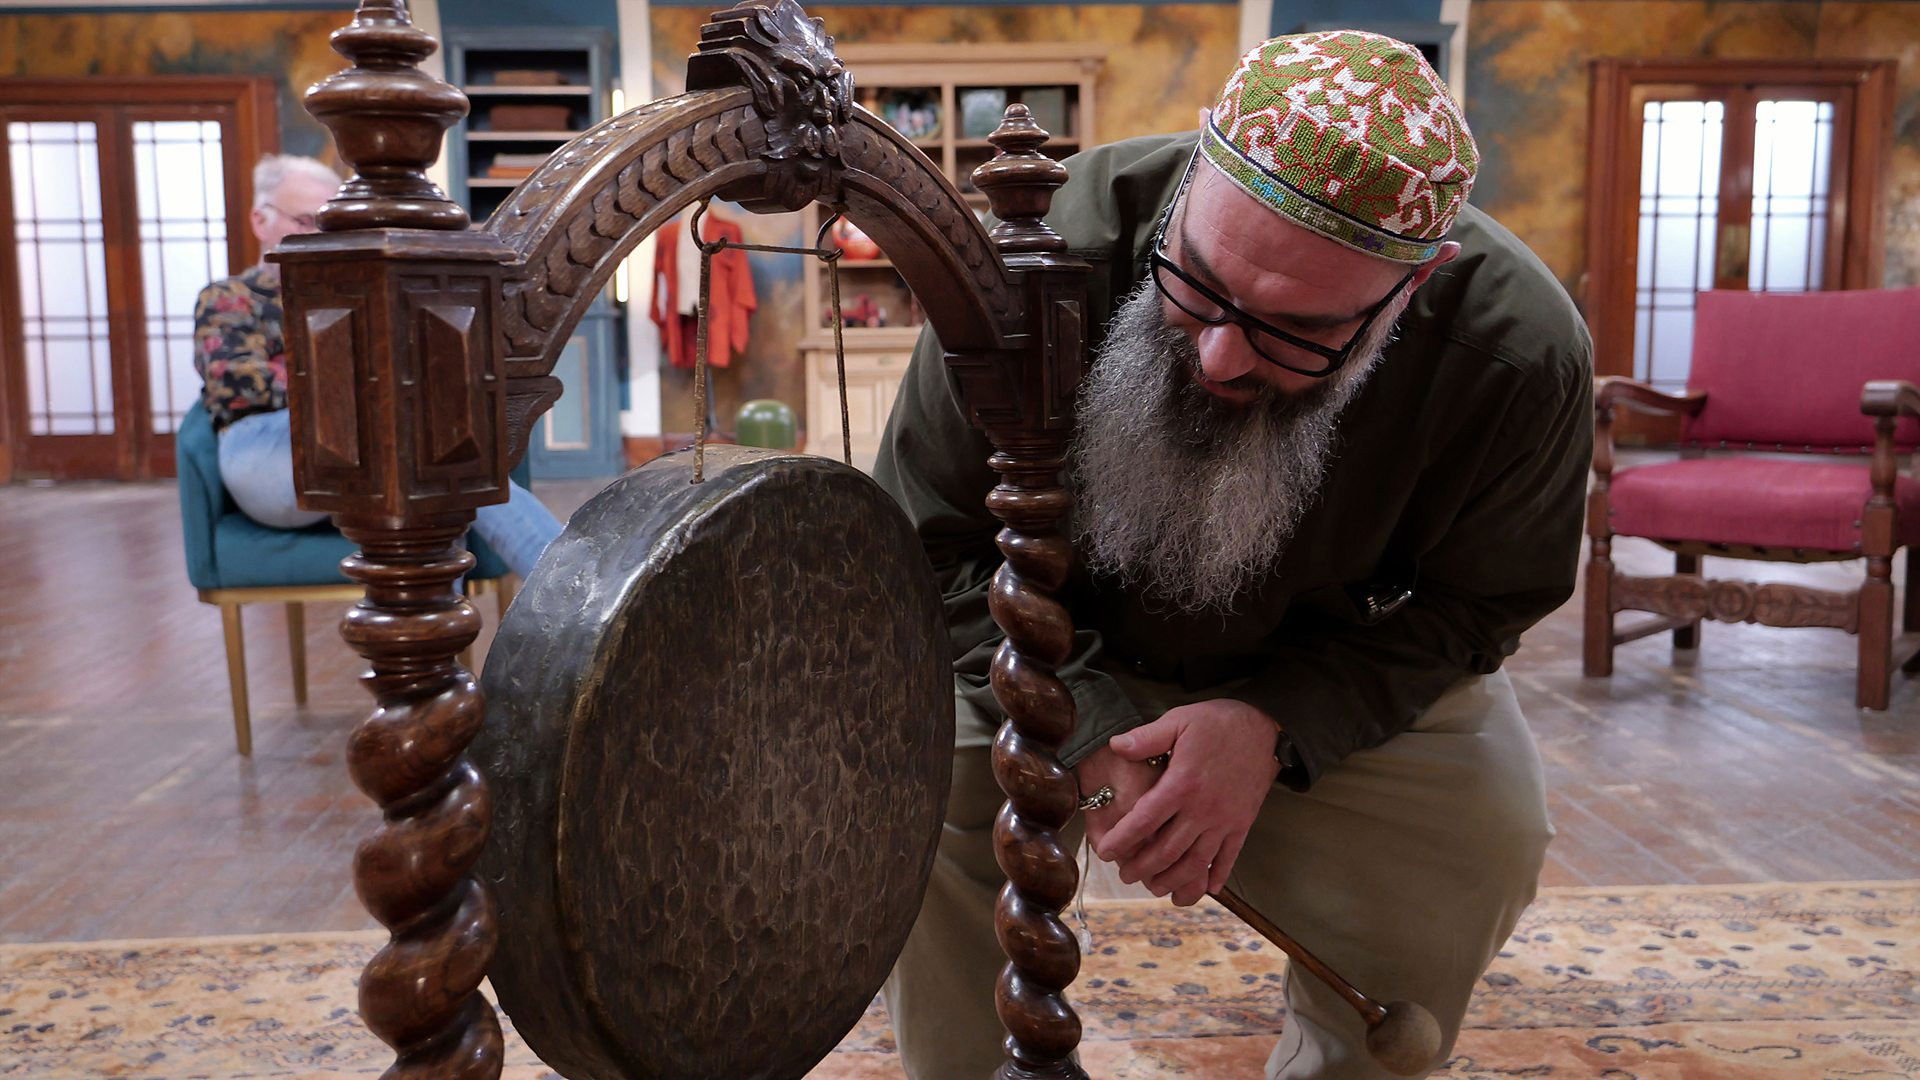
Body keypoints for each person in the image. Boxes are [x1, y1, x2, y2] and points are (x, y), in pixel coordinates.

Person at [875, 31, 1592, 1080]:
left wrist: (1278, 725)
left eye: (1296, 330)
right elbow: (927, 541)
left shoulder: (1520, 350)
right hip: (1040, 636)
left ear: (1413, 285)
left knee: (1487, 823)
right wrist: (1085, 716)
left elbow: (1480, 606)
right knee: (920, 776)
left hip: (1321, 661)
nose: (1219, 354)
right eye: (1197, 284)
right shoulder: (1033, 259)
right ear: (1193, 176)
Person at [193, 154, 561, 579]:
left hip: (373, 447)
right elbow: (234, 383)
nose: (321, 237)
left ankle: (544, 602)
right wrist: (348, 390)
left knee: (441, 469)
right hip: (267, 451)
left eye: (331, 227)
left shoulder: (361, 296)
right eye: (305, 221)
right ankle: (576, 593)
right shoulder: (228, 297)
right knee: (428, 454)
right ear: (260, 221)